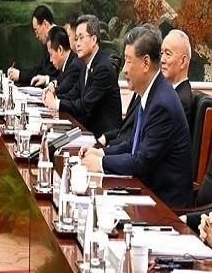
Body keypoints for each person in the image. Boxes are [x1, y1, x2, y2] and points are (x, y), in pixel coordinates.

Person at [81, 24, 192, 207]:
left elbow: (141, 161)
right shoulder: (152, 93)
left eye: (128, 61)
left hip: (164, 206)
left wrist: (100, 163)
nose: (124, 70)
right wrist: (101, 152)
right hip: (146, 192)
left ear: (146, 63)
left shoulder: (162, 103)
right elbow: (132, 144)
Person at [43, 14, 121, 138]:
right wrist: (52, 97)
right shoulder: (86, 65)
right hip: (86, 130)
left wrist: (56, 103)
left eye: (81, 38)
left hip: (102, 138)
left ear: (94, 39)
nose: (77, 44)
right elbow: (73, 94)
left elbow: (85, 105)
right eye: (76, 39)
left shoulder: (103, 68)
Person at [7, 5, 59, 86]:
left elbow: (47, 72)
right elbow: (41, 68)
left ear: (45, 24)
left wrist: (20, 75)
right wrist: (20, 74)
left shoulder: (58, 38)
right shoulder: (52, 38)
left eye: (36, 30)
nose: (36, 36)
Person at [34, 26, 85, 96]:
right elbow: (59, 80)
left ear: (60, 50)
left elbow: (60, 92)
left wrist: (49, 91)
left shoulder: (74, 66)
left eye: (51, 54)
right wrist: (52, 83)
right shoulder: (68, 63)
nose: (50, 60)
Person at [161, 29, 193, 129]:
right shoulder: (171, 94)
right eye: (161, 53)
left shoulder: (180, 102)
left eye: (168, 54)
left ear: (183, 61)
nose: (162, 60)